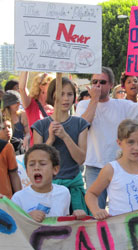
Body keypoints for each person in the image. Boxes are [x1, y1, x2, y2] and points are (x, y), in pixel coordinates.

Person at [75, 67, 138, 209]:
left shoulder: (122, 104)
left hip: (120, 166)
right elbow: (83, 125)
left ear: (111, 85)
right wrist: (94, 100)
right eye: (95, 82)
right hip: (95, 166)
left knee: (124, 207)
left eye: (102, 82)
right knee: (96, 209)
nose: (98, 85)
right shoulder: (84, 104)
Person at [32, 77, 90, 217]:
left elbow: (80, 159)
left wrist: (65, 136)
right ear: (53, 96)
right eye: (61, 94)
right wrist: (51, 139)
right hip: (49, 189)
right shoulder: (40, 126)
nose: (65, 99)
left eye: (69, 94)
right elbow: (35, 159)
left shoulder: (80, 124)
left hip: (73, 187)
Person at [85, 119, 138, 219]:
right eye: (130, 142)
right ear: (119, 143)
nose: (136, 148)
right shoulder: (111, 169)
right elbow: (91, 193)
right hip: (119, 229)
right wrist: (96, 210)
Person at [11, 144, 71, 222]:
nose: (36, 168)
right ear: (27, 171)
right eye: (32, 164)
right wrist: (27, 217)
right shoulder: (18, 198)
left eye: (42, 164)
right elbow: (15, 227)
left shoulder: (63, 193)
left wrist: (77, 216)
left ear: (55, 169)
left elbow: (65, 222)